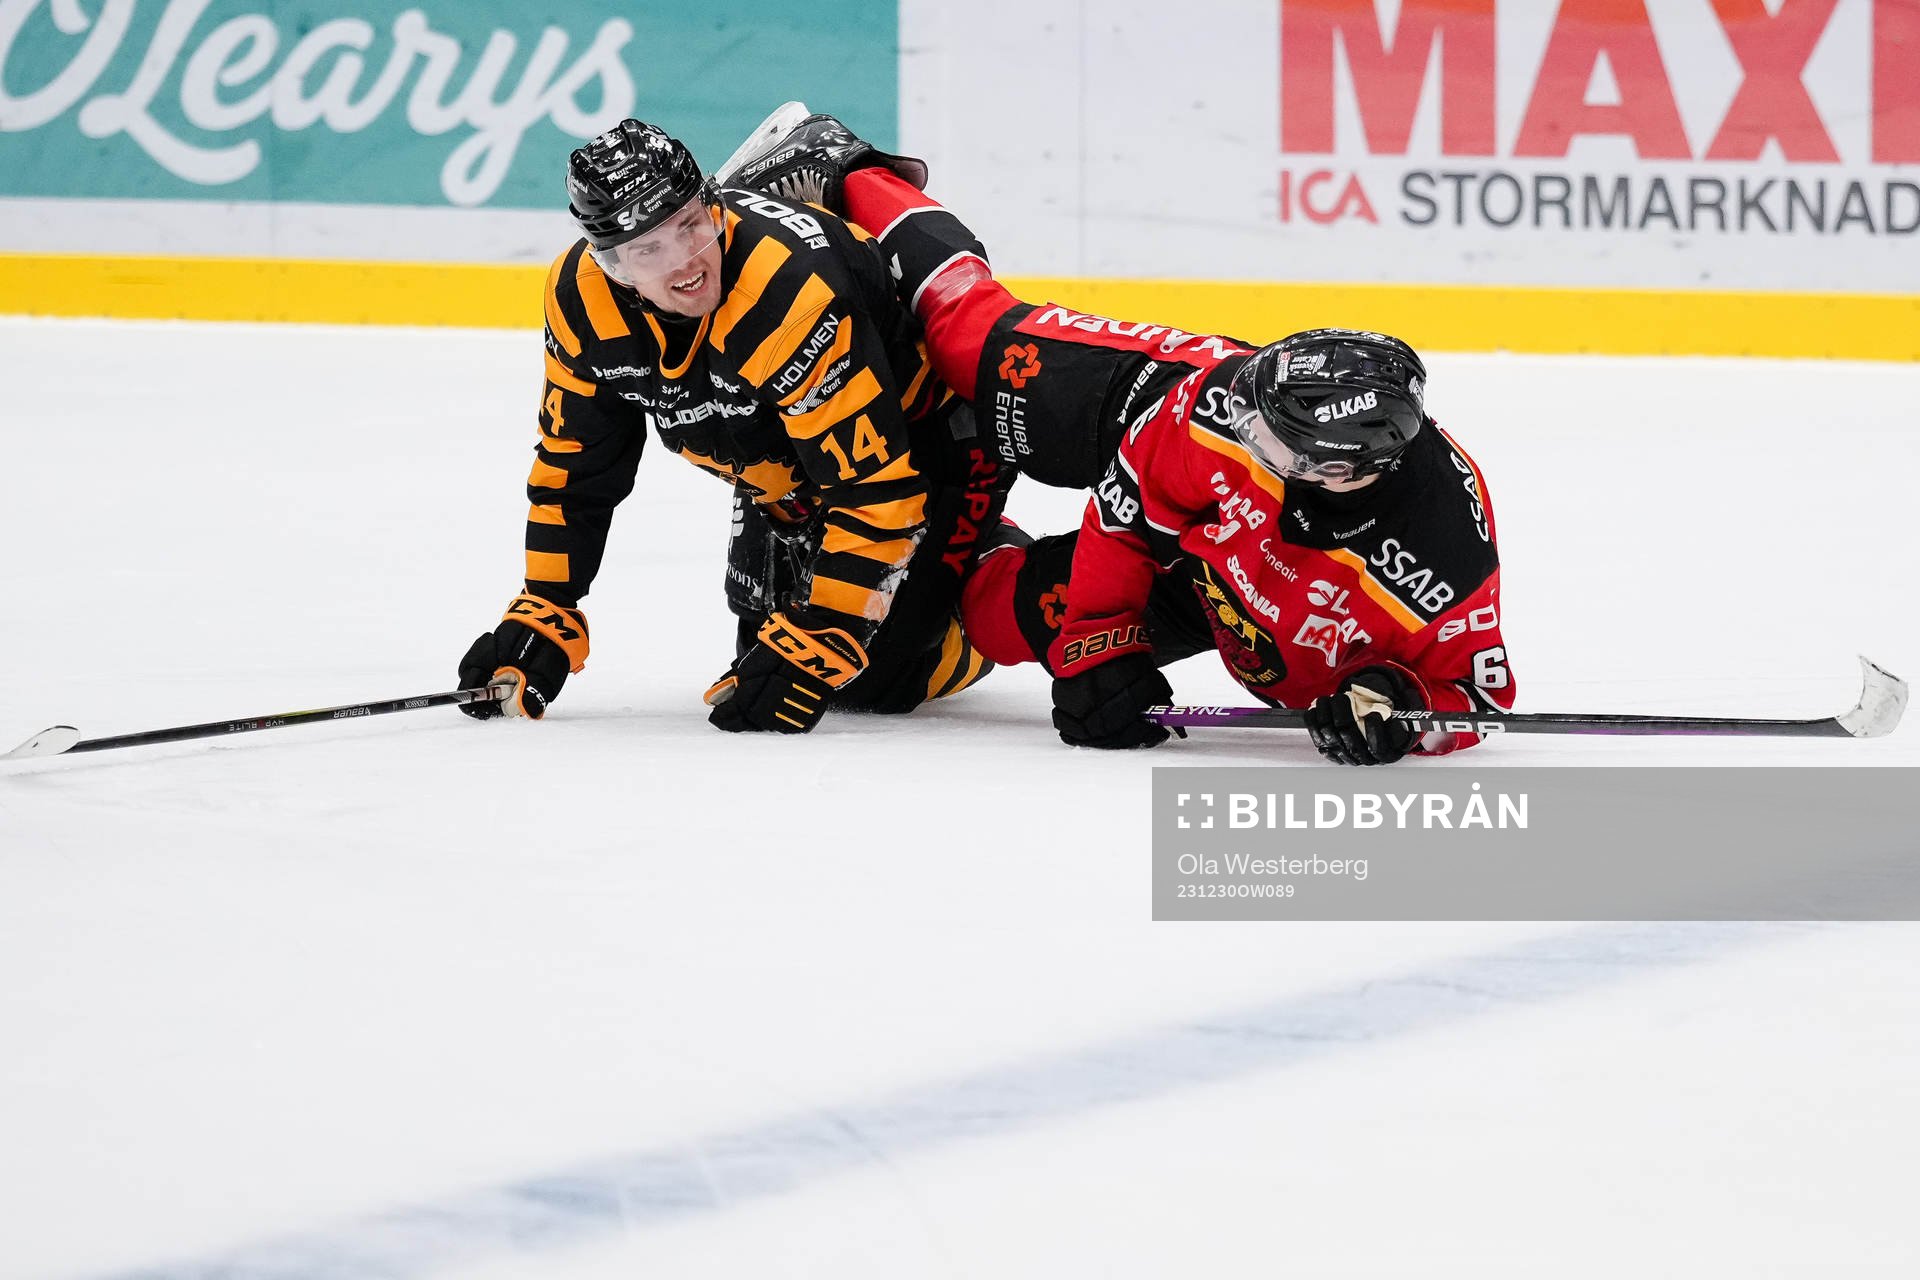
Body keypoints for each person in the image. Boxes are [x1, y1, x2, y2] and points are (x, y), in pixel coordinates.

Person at [725, 107, 1515, 764]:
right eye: (1254, 414)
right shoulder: (1221, 413)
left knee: (987, 617)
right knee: (974, 343)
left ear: (1348, 471)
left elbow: (1477, 699)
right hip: (1143, 410)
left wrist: (1401, 704)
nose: (1249, 437)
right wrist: (1098, 641)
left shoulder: (1443, 553)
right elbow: (1131, 500)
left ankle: (970, 517)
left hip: (1219, 585)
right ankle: (849, 165)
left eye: (1274, 447)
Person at [455, 116, 1016, 734]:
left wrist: (826, 638)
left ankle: (999, 560)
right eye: (649, 249)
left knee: (877, 677)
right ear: (611, 265)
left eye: (690, 226)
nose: (687, 265)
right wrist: (546, 605)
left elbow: (877, 488)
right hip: (786, 465)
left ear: (712, 208)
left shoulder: (785, 292)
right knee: (760, 649)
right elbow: (574, 466)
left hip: (932, 448)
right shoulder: (580, 301)